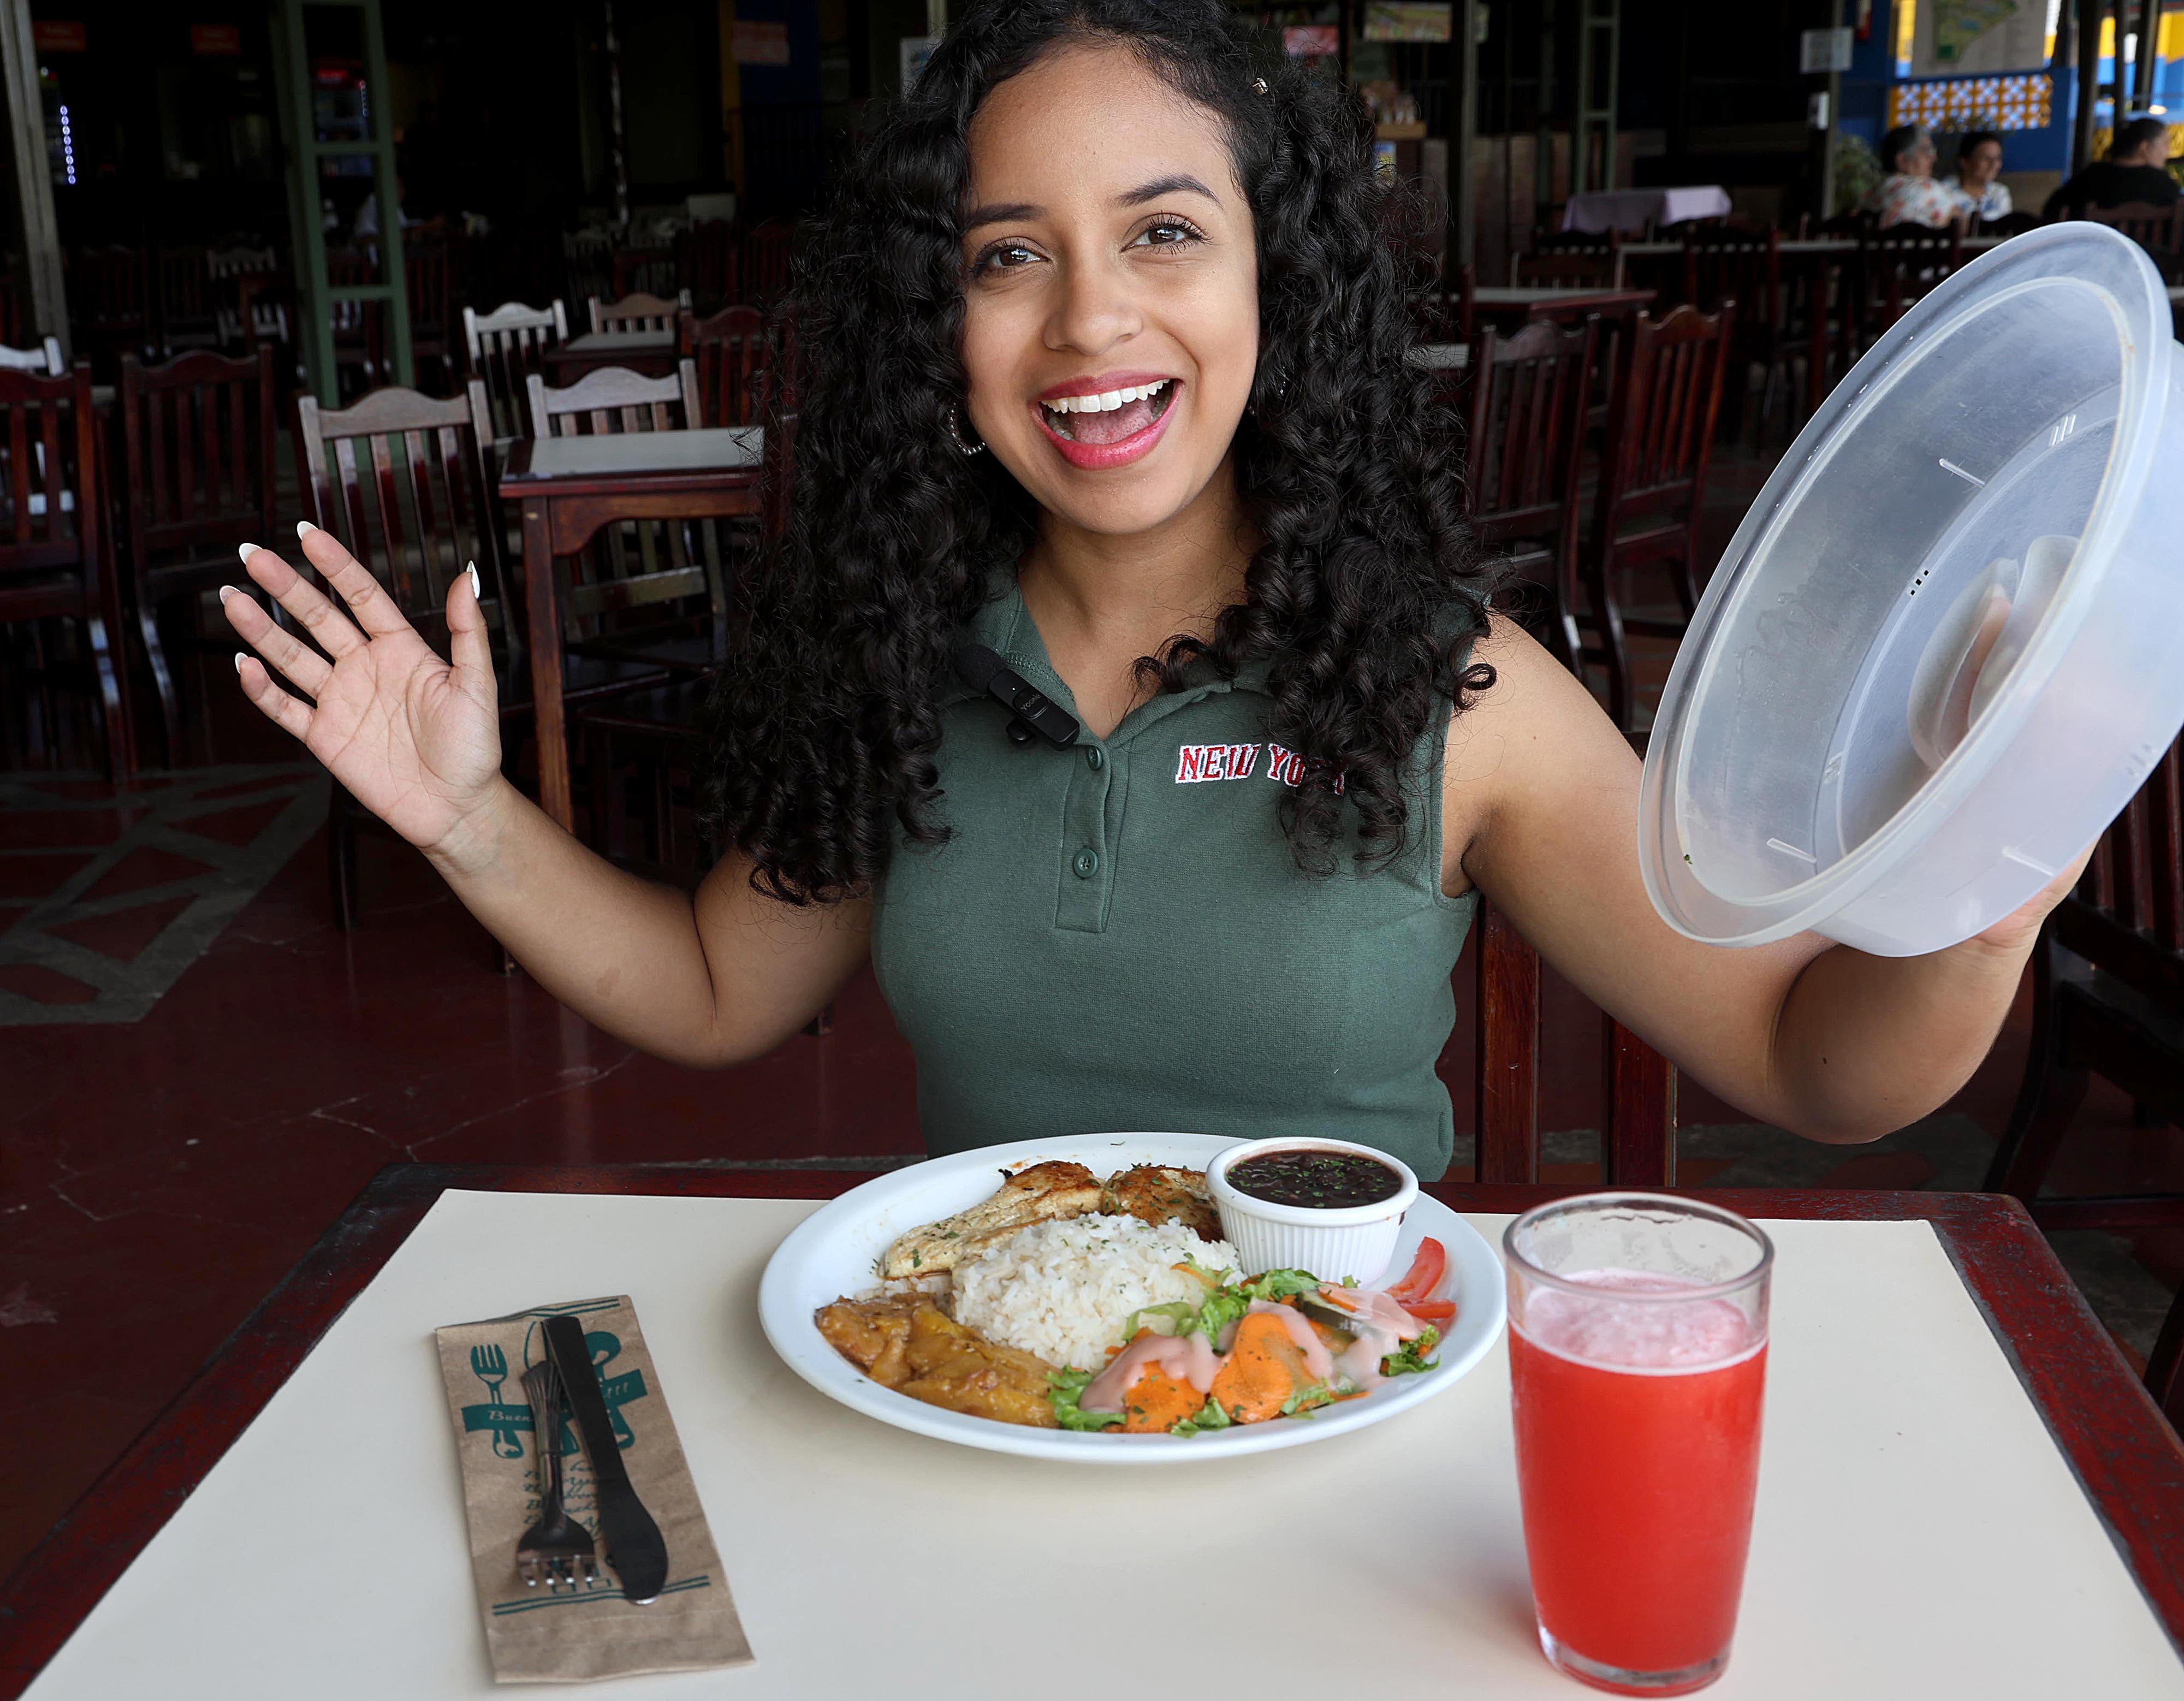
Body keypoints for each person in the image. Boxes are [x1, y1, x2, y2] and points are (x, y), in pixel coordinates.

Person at [217, 0, 2087, 1180]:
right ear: (933, 326)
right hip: (990, 1405)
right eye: (1007, 256)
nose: (1092, 319)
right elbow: (714, 986)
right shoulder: (907, 667)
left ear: (1281, 280)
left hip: (1341, 1430)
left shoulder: (1458, 692)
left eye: (1166, 233)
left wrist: (1991, 873)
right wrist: (466, 816)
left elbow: (1812, 1062)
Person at [2045, 115, 2179, 218]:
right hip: (2145, 254)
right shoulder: (2163, 185)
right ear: (2145, 147)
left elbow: (2052, 210)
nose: (2167, 151)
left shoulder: (2091, 177)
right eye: (2165, 144)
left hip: (2093, 253)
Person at [1863, 123, 1961, 229]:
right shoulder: (1929, 189)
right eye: (1927, 151)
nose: (1933, 158)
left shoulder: (1871, 195)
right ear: (1902, 160)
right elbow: (1962, 223)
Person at [1943, 129, 2010, 222]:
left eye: (1998, 159)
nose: (1993, 165)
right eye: (1986, 159)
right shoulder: (1944, 191)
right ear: (1965, 162)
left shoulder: (1999, 193)